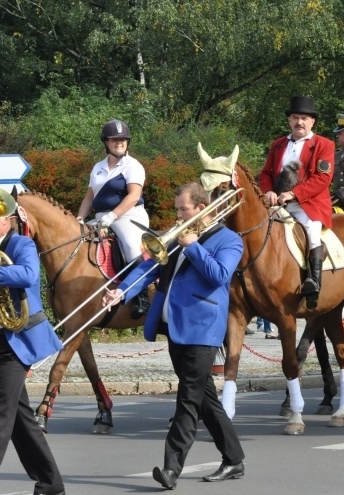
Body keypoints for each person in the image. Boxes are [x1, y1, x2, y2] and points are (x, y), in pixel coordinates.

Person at [101, 182, 246, 488]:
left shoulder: (228, 240)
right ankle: (234, 459)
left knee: (188, 401)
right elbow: (147, 269)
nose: (178, 215)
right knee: (205, 399)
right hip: (175, 327)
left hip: (203, 330)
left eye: (184, 209)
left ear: (202, 207)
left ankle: (171, 468)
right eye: (177, 209)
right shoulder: (176, 237)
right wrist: (120, 291)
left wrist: (193, 245)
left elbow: (219, 275)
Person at [0, 204, 66, 495]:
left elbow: (28, 275)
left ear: (7, 223)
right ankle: (51, 484)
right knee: (20, 419)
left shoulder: (22, 244)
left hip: (15, 344)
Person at [259, 96, 334, 308]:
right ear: (289, 121)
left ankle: (314, 282)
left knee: (311, 230)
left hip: (307, 204)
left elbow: (322, 178)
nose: (299, 122)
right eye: (295, 118)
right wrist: (269, 191)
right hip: (277, 204)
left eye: (304, 118)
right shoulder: (278, 144)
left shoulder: (324, 144)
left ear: (312, 122)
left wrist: (294, 194)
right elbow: (265, 174)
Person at [77, 119, 150, 314]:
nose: (119, 143)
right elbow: (89, 197)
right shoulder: (98, 167)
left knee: (130, 247)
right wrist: (80, 218)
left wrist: (113, 216)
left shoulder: (133, 166)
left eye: (123, 139)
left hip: (128, 216)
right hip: (101, 217)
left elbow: (134, 196)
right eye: (114, 139)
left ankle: (141, 297)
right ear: (106, 142)